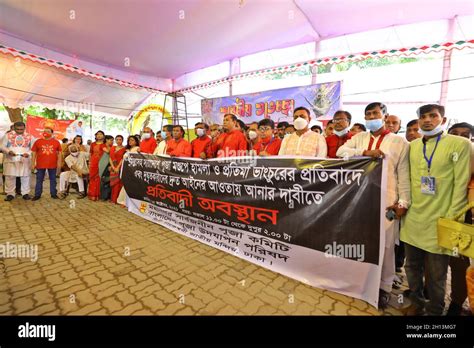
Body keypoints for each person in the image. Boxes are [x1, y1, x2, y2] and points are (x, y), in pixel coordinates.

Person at [337, 102, 410, 309]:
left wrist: (403, 202)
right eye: (368, 114)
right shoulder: (359, 138)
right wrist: (364, 152)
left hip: (387, 200)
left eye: (375, 113)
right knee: (361, 239)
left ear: (384, 115)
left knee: (385, 246)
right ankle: (361, 281)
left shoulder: (399, 141)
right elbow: (341, 152)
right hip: (358, 199)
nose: (371, 117)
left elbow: (404, 175)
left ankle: (384, 287)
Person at [401, 104, 471, 316]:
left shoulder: (460, 144)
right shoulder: (412, 146)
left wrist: (451, 220)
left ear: (443, 119)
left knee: (437, 274)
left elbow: (461, 184)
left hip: (441, 220)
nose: (427, 120)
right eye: (423, 117)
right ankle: (417, 303)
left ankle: (435, 311)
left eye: (433, 116)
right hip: (413, 218)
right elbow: (407, 179)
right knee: (411, 267)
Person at [445, 122, 473, 315]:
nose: (460, 138)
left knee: (458, 265)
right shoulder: (443, 156)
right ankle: (428, 291)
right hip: (438, 214)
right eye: (455, 134)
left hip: (464, 220)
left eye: (465, 134)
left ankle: (456, 304)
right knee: (435, 260)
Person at [1, 122, 34, 201]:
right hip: (10, 159)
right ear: (14, 128)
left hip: (24, 159)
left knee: (25, 176)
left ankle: (25, 193)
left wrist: (28, 153)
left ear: (24, 128)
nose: (19, 131)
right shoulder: (7, 136)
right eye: (18, 129)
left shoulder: (30, 136)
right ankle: (10, 194)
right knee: (10, 176)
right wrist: (8, 151)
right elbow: (2, 146)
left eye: (21, 129)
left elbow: (33, 148)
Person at [30, 127, 62, 201]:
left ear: (51, 133)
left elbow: (60, 154)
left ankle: (53, 194)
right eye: (44, 131)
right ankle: (37, 194)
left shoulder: (56, 142)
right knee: (39, 180)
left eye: (48, 131)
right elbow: (33, 153)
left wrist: (59, 164)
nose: (45, 132)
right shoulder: (38, 141)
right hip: (40, 164)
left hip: (53, 164)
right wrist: (32, 163)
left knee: (53, 180)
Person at [117, 135, 140, 206]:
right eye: (129, 140)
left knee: (131, 185)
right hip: (126, 169)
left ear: (136, 142)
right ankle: (124, 201)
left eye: (132, 140)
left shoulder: (138, 149)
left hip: (133, 169)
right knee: (126, 184)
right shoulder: (127, 149)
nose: (130, 141)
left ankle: (129, 202)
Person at [88, 131, 107, 201]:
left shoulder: (105, 144)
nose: (99, 136)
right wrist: (89, 162)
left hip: (101, 162)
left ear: (103, 136)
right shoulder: (92, 144)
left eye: (100, 134)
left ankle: (97, 195)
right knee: (92, 178)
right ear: (95, 136)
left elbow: (108, 153)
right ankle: (91, 194)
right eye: (97, 134)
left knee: (98, 178)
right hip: (93, 162)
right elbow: (90, 153)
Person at [110, 135, 127, 204]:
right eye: (117, 139)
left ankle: (117, 199)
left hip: (120, 167)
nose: (118, 141)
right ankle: (113, 199)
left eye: (120, 139)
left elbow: (123, 159)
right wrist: (113, 167)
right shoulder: (113, 148)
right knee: (113, 183)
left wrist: (117, 167)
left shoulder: (124, 149)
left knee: (118, 183)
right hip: (113, 167)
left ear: (122, 140)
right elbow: (110, 158)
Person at [99, 135, 114, 201]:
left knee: (109, 180)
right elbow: (108, 152)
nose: (112, 141)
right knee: (103, 179)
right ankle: (102, 196)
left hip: (110, 164)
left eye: (113, 140)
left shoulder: (112, 147)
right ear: (106, 140)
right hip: (102, 164)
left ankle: (107, 195)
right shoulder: (102, 145)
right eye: (111, 140)